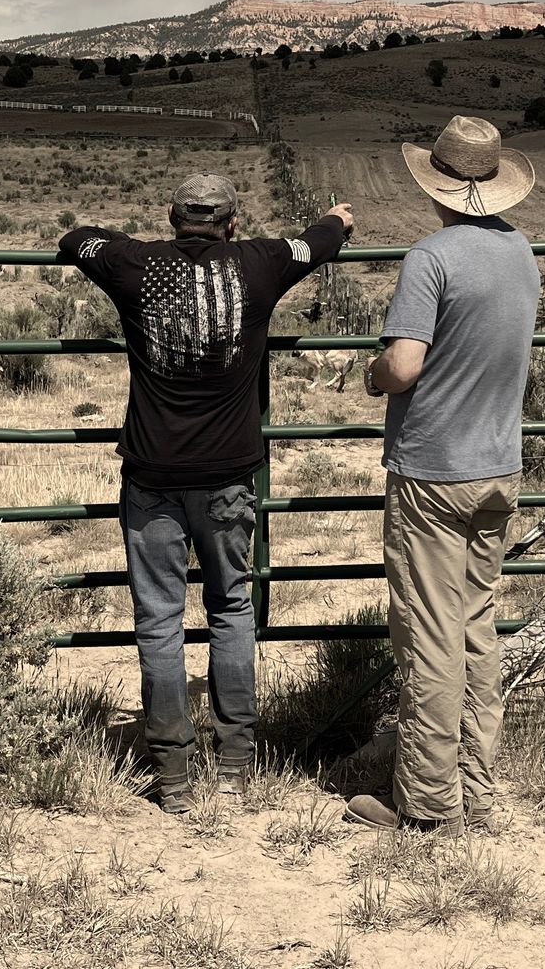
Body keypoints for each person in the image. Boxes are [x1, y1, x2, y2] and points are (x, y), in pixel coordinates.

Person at [62, 175, 353, 813]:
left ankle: (171, 774)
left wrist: (106, 236)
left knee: (159, 620)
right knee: (231, 609)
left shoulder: (134, 263)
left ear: (172, 218)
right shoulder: (261, 262)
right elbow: (319, 241)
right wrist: (337, 217)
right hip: (227, 475)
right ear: (230, 221)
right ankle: (235, 764)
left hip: (153, 475)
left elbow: (76, 239)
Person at [345, 116, 539, 835]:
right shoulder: (522, 253)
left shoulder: (431, 257)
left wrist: (370, 373)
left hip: (433, 469)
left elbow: (403, 365)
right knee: (476, 630)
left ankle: (429, 805)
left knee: (429, 637)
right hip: (498, 465)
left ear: (439, 184)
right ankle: (479, 794)